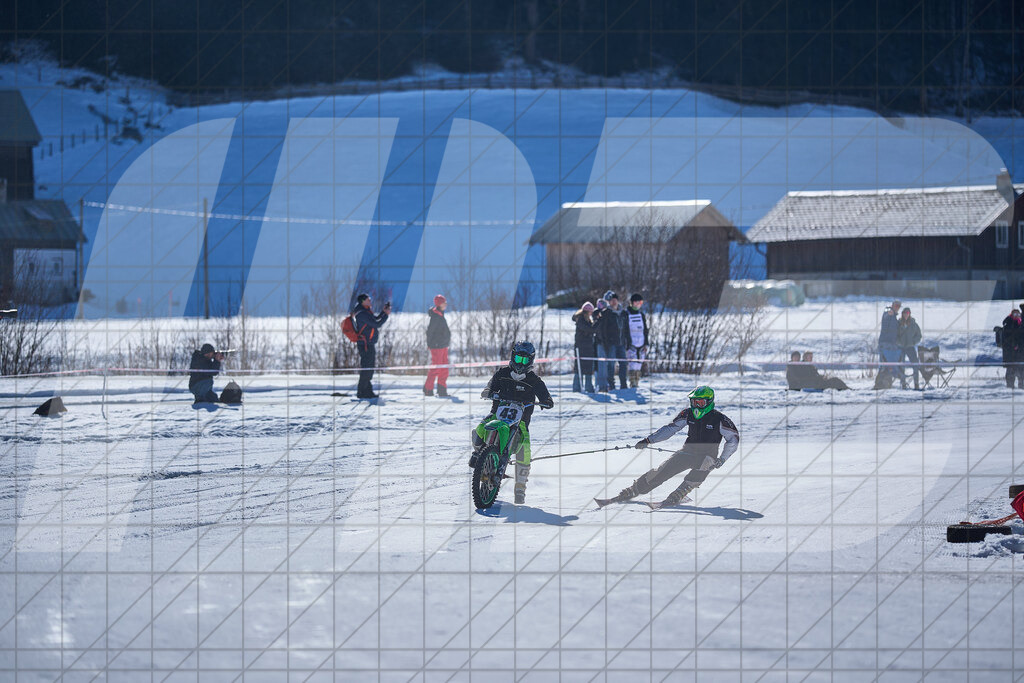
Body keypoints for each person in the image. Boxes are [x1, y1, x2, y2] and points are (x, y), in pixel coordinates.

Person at [595, 386, 739, 509]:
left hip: (708, 457)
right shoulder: (688, 413)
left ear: (708, 402)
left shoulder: (719, 419)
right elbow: (670, 429)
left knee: (704, 466)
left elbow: (733, 439)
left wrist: (722, 459)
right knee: (660, 472)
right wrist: (648, 440)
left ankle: (679, 493)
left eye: (700, 402)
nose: (696, 405)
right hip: (687, 453)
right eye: (694, 402)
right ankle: (633, 490)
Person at [470, 341, 554, 504]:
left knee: (525, 449)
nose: (520, 363)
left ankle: (520, 487)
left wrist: (547, 401)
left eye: (524, 360)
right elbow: (488, 388)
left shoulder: (534, 380)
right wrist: (489, 393)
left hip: (520, 421)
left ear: (530, 360)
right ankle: (479, 454)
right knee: (479, 429)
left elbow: (546, 397)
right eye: (517, 358)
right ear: (512, 356)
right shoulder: (501, 373)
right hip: (497, 415)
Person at [352, 293, 391, 399]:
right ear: (362, 301)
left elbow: (376, 319)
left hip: (368, 344)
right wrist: (386, 315)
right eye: (368, 299)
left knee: (369, 368)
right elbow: (376, 324)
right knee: (367, 368)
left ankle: (367, 391)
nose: (370, 301)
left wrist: (383, 312)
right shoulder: (362, 313)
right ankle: (362, 392)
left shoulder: (365, 311)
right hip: (365, 345)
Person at [596, 290, 627, 391]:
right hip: (611, 343)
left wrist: (628, 341)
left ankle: (623, 384)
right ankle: (612, 385)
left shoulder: (623, 313)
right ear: (609, 302)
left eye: (615, 300)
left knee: (623, 364)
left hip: (622, 343)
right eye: (611, 300)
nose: (613, 302)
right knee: (611, 365)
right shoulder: (606, 313)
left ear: (618, 301)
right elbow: (603, 329)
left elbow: (627, 328)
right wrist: (606, 342)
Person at [424, 294, 451, 397]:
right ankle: (428, 389)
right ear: (439, 304)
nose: (446, 304)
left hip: (443, 346)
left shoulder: (440, 315)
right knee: (436, 368)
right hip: (436, 346)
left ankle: (442, 389)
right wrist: (430, 344)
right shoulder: (435, 317)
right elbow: (429, 332)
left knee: (444, 369)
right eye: (444, 303)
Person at [571, 301, 598, 393]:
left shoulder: (587, 320)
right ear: (587, 312)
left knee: (588, 368)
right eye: (591, 312)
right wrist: (598, 322)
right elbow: (591, 330)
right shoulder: (581, 320)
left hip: (588, 348)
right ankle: (577, 388)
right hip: (581, 348)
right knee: (579, 368)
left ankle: (588, 387)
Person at [875, 300, 901, 390]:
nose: (897, 307)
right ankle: (878, 385)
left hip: (891, 345)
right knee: (883, 366)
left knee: (888, 366)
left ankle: (887, 385)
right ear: (892, 305)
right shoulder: (888, 312)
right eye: (895, 305)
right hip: (884, 344)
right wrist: (889, 312)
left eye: (898, 306)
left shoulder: (895, 318)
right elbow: (886, 314)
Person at [625, 293, 649, 388]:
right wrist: (627, 344)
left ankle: (637, 381)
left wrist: (646, 343)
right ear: (632, 303)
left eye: (640, 302)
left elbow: (645, 330)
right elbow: (625, 331)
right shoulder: (626, 314)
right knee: (632, 365)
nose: (638, 304)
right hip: (631, 344)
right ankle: (632, 383)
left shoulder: (641, 315)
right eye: (637, 302)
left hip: (641, 343)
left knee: (639, 364)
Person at [897, 307, 922, 390]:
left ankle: (916, 384)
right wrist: (898, 342)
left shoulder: (913, 324)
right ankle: (903, 384)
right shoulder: (898, 323)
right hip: (901, 347)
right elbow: (894, 335)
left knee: (915, 364)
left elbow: (919, 335)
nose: (906, 315)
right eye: (904, 313)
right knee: (902, 366)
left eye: (907, 313)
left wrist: (913, 342)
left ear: (909, 314)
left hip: (910, 347)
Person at [1001, 309, 1023, 389]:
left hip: (1018, 353)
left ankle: (1021, 387)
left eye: (1018, 315)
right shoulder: (1008, 324)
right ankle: (1010, 388)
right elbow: (1007, 338)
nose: (1017, 316)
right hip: (1010, 352)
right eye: (1015, 315)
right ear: (1011, 315)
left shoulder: (1019, 324)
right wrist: (1014, 345)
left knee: (1020, 371)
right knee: (1011, 370)